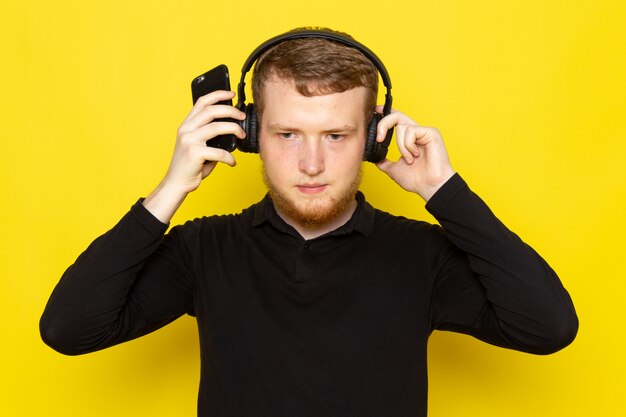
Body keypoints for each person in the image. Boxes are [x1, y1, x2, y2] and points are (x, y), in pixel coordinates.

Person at [40, 28, 578, 417]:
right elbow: (68, 329)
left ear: (372, 139)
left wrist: (443, 192)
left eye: (337, 136)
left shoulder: (421, 256)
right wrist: (172, 187)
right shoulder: (204, 250)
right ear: (248, 135)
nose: (312, 164)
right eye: (288, 134)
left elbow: (549, 327)